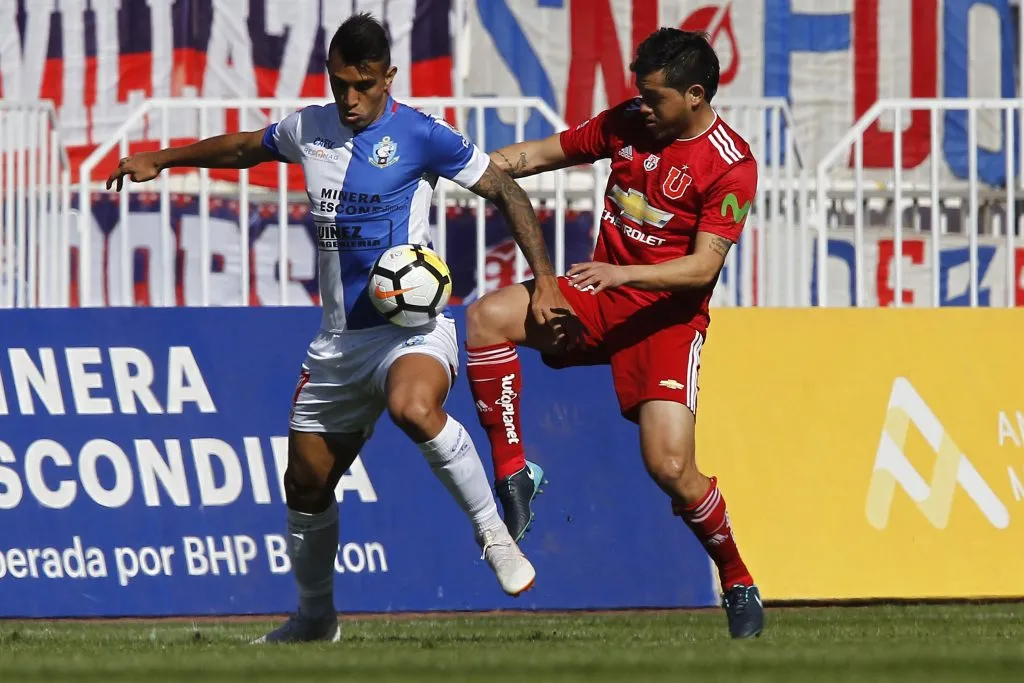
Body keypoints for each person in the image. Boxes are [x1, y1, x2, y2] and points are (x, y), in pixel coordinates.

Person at [106, 12, 573, 643]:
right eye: (339, 84)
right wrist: (161, 158)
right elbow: (246, 147)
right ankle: (316, 618)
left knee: (413, 406)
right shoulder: (310, 128)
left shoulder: (424, 135)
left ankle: (495, 536)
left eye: (364, 85)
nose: (349, 99)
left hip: (412, 330)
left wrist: (544, 279)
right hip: (338, 344)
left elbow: (508, 193)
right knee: (305, 484)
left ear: (389, 77)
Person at [463, 28, 764, 639]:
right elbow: (543, 153)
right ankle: (516, 469)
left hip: (664, 322)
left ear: (696, 95)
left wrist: (620, 272)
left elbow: (703, 268)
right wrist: (467, 165)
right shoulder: (629, 121)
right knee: (483, 318)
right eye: (640, 96)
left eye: (655, 98)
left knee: (671, 467)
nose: (643, 107)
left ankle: (737, 579)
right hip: (596, 299)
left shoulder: (731, 166)